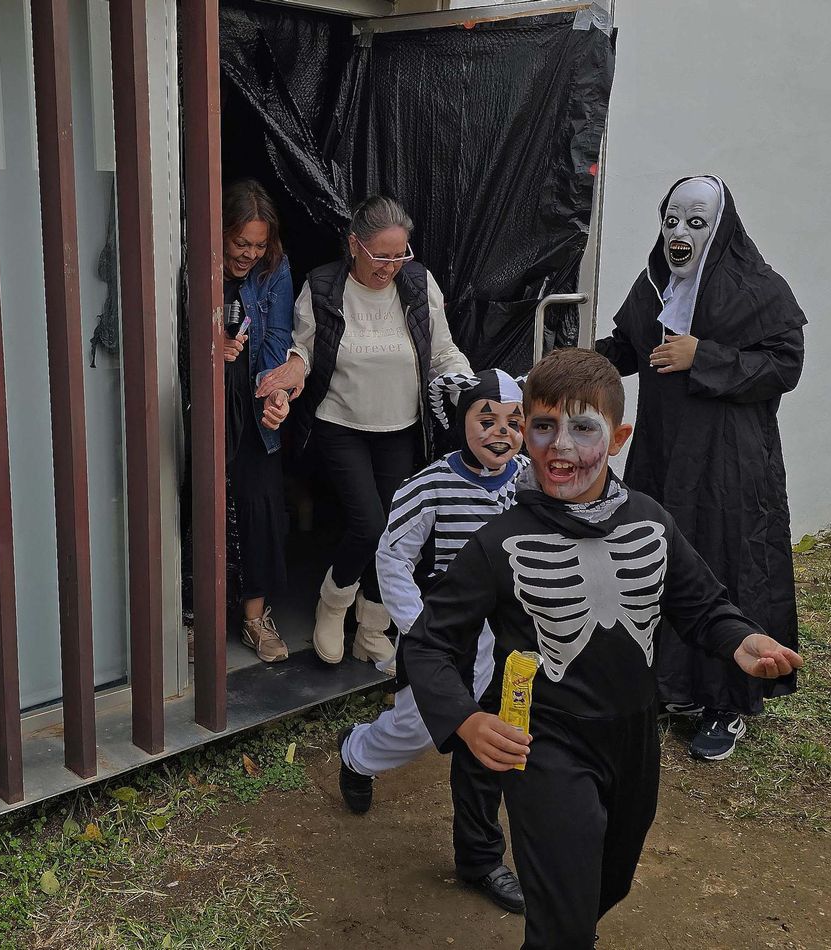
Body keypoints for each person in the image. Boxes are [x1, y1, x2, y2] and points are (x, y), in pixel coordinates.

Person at [401, 348, 802, 950]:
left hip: (633, 734)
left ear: (617, 438)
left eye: (582, 428)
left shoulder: (650, 521)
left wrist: (740, 640)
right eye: (543, 427)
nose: (559, 446)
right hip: (543, 738)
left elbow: (700, 604)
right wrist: (463, 720)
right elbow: (429, 642)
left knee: (605, 882)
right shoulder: (499, 542)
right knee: (564, 911)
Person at [595, 175, 806, 761]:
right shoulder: (654, 283)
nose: (679, 233)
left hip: (729, 463)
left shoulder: (758, 288)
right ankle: (670, 687)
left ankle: (728, 704)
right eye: (672, 220)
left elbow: (784, 366)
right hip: (662, 452)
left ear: (720, 227)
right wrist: (582, 362)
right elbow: (627, 345)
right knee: (659, 556)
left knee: (725, 562)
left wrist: (702, 355)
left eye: (695, 221)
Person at [337, 368, 528, 914]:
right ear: (462, 423)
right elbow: (393, 555)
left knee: (492, 739)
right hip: (447, 634)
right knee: (417, 728)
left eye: (513, 422)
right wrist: (423, 627)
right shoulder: (428, 485)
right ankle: (357, 754)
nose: (500, 433)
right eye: (485, 419)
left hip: (510, 637)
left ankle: (481, 858)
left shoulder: (530, 479)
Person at [257, 195, 472, 667]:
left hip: (402, 425)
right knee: (369, 524)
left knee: (395, 531)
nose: (392, 267)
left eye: (401, 255)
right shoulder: (324, 285)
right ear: (354, 244)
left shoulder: (418, 284)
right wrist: (293, 371)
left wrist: (470, 390)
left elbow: (442, 351)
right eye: (382, 256)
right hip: (342, 423)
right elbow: (303, 349)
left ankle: (373, 628)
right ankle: (332, 607)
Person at [220, 180, 295, 663]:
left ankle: (255, 618)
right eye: (240, 243)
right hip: (200, 403)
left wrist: (278, 395)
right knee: (196, 507)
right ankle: (190, 617)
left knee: (260, 503)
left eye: (258, 244)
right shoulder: (187, 260)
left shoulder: (275, 269)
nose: (249, 254)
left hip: (250, 399)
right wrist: (209, 350)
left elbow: (279, 337)